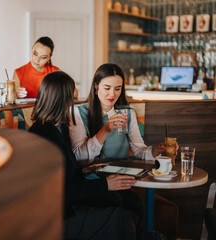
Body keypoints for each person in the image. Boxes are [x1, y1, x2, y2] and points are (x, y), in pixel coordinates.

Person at [29, 71, 142, 239]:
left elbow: (63, 175)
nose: (74, 102)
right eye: (71, 98)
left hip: (67, 201)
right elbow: (56, 191)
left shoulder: (57, 128)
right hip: (57, 214)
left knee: (130, 199)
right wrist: (105, 185)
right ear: (62, 101)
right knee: (121, 214)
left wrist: (83, 171)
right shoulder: (42, 135)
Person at [69, 63, 165, 164]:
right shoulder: (77, 112)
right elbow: (79, 158)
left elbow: (139, 150)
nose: (112, 94)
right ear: (96, 87)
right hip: (94, 177)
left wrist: (155, 151)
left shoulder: (127, 112)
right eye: (107, 88)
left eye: (117, 89)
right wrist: (105, 130)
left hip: (121, 173)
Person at [12, 36, 78, 99]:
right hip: (25, 111)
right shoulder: (18, 73)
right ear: (31, 50)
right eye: (35, 54)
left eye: (43, 57)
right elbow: (11, 99)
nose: (37, 60)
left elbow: (75, 93)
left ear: (49, 57)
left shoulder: (55, 72)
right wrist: (15, 95)